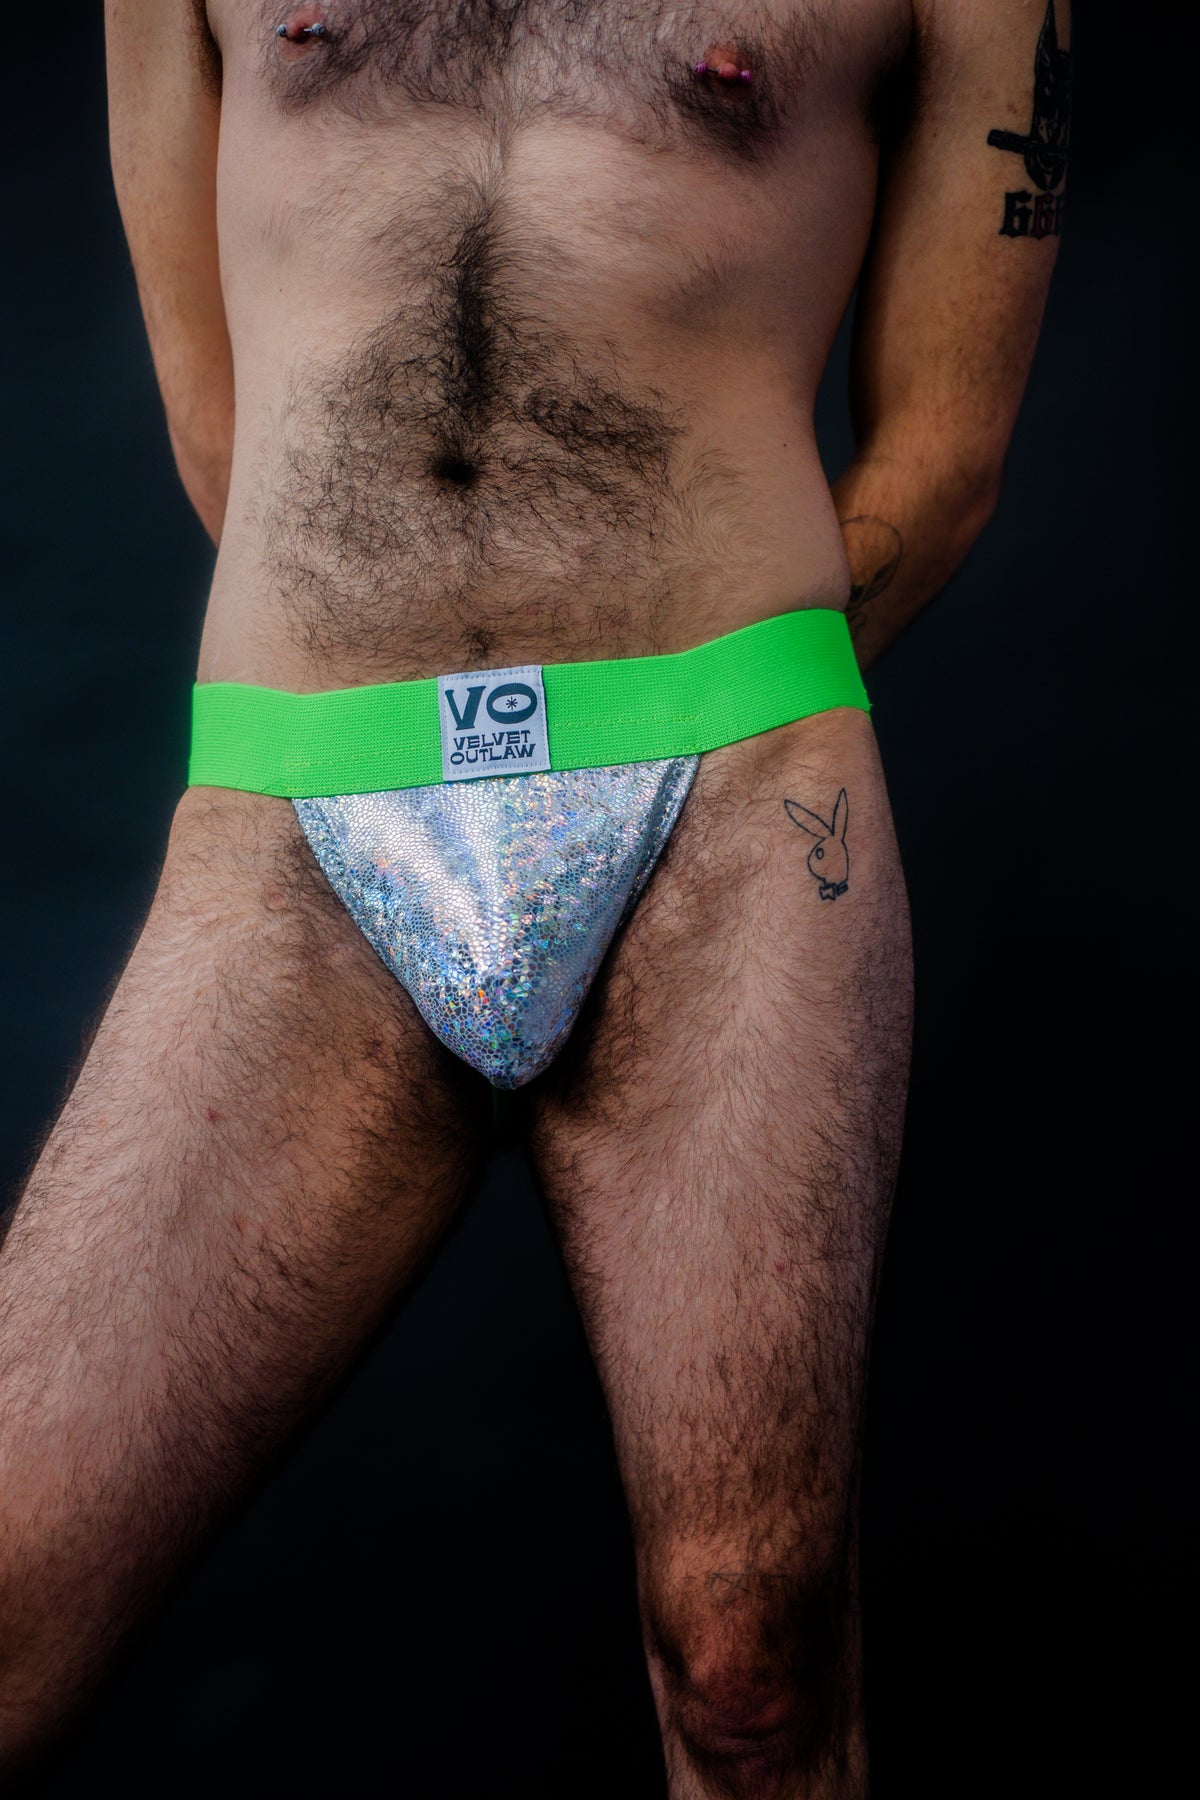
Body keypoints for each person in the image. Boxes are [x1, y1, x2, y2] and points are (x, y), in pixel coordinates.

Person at [0, 0, 1068, 1791]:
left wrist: (695, 691)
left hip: (731, 800)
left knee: (752, 1666)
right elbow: (215, 414)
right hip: (304, 809)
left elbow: (946, 451)